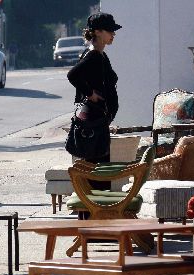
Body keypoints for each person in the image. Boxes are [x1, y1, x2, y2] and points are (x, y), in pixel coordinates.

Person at [67, 12, 121, 190]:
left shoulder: (98, 54)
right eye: (110, 31)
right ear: (98, 32)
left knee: (98, 172)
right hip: (93, 125)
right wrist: (90, 93)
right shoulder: (93, 55)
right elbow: (72, 74)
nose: (113, 34)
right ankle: (95, 212)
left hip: (98, 123)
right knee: (98, 174)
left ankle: (95, 211)